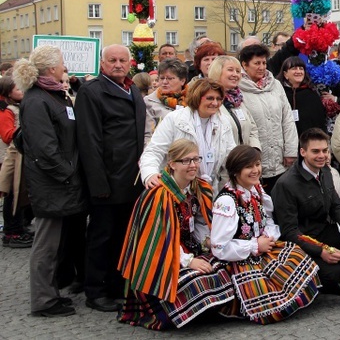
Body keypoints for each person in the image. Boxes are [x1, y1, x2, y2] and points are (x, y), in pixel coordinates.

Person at [118, 139, 229, 329]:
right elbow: (158, 241)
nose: (193, 165)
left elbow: (202, 222)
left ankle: (204, 309)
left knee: (224, 268)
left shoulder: (199, 187)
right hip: (159, 257)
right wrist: (189, 261)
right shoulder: (159, 194)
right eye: (186, 161)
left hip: (187, 248)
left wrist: (208, 242)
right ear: (172, 164)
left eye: (196, 159)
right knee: (195, 281)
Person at [13, 46, 87, 317]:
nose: (64, 67)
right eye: (62, 64)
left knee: (55, 243)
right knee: (46, 244)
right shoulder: (37, 100)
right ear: (52, 68)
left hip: (59, 182)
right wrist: (68, 175)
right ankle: (43, 300)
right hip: (53, 183)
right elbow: (45, 149)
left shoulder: (50, 95)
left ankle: (51, 292)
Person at [211, 145, 320, 323]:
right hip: (239, 259)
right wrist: (254, 245)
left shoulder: (256, 190)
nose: (255, 171)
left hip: (261, 248)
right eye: (249, 167)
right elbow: (219, 247)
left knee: (297, 256)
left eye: (258, 164)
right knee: (265, 299)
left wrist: (267, 237)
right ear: (236, 171)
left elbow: (268, 219)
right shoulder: (227, 201)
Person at [75, 44, 147, 312]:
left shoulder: (132, 88)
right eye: (112, 60)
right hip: (107, 179)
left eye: (122, 60)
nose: (118, 64)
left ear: (130, 63)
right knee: (101, 237)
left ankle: (117, 285)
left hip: (131, 178)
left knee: (123, 237)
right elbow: (89, 140)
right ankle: (95, 290)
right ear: (102, 64)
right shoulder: (91, 92)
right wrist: (98, 183)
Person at [271, 128, 340, 295]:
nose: (322, 156)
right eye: (315, 151)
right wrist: (321, 252)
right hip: (301, 242)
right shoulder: (286, 184)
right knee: (333, 274)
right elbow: (289, 232)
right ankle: (335, 273)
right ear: (302, 152)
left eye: (325, 151)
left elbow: (336, 206)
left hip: (322, 231)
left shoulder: (326, 171)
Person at [140, 79, 235, 192]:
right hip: (177, 190)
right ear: (197, 97)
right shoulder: (175, 119)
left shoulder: (224, 122)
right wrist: (150, 174)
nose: (215, 103)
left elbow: (231, 157)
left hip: (210, 191)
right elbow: (154, 151)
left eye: (219, 99)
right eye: (210, 98)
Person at [238, 44, 298, 193]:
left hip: (280, 158)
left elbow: (287, 118)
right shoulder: (238, 89)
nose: (261, 67)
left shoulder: (275, 85)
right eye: (257, 63)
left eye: (264, 63)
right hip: (255, 160)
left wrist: (290, 150)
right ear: (244, 65)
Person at [0, 77, 32, 249]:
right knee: (12, 196)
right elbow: (6, 135)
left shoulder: (18, 107)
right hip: (11, 158)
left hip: (18, 157)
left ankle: (19, 228)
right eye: (18, 88)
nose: (22, 90)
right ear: (8, 92)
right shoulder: (6, 110)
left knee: (18, 196)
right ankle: (12, 232)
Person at [208, 56, 261, 150]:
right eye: (230, 70)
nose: (235, 74)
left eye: (237, 71)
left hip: (244, 160)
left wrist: (255, 149)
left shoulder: (239, 99)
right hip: (223, 161)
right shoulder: (210, 100)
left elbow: (252, 129)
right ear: (217, 72)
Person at [278, 56, 327, 136]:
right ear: (285, 74)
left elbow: (319, 120)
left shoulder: (312, 93)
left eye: (301, 68)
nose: (298, 71)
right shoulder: (279, 94)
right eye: (294, 68)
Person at [144, 58, 188, 130]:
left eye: (170, 78)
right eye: (161, 78)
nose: (164, 82)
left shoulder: (192, 99)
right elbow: (148, 134)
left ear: (182, 81)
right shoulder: (149, 101)